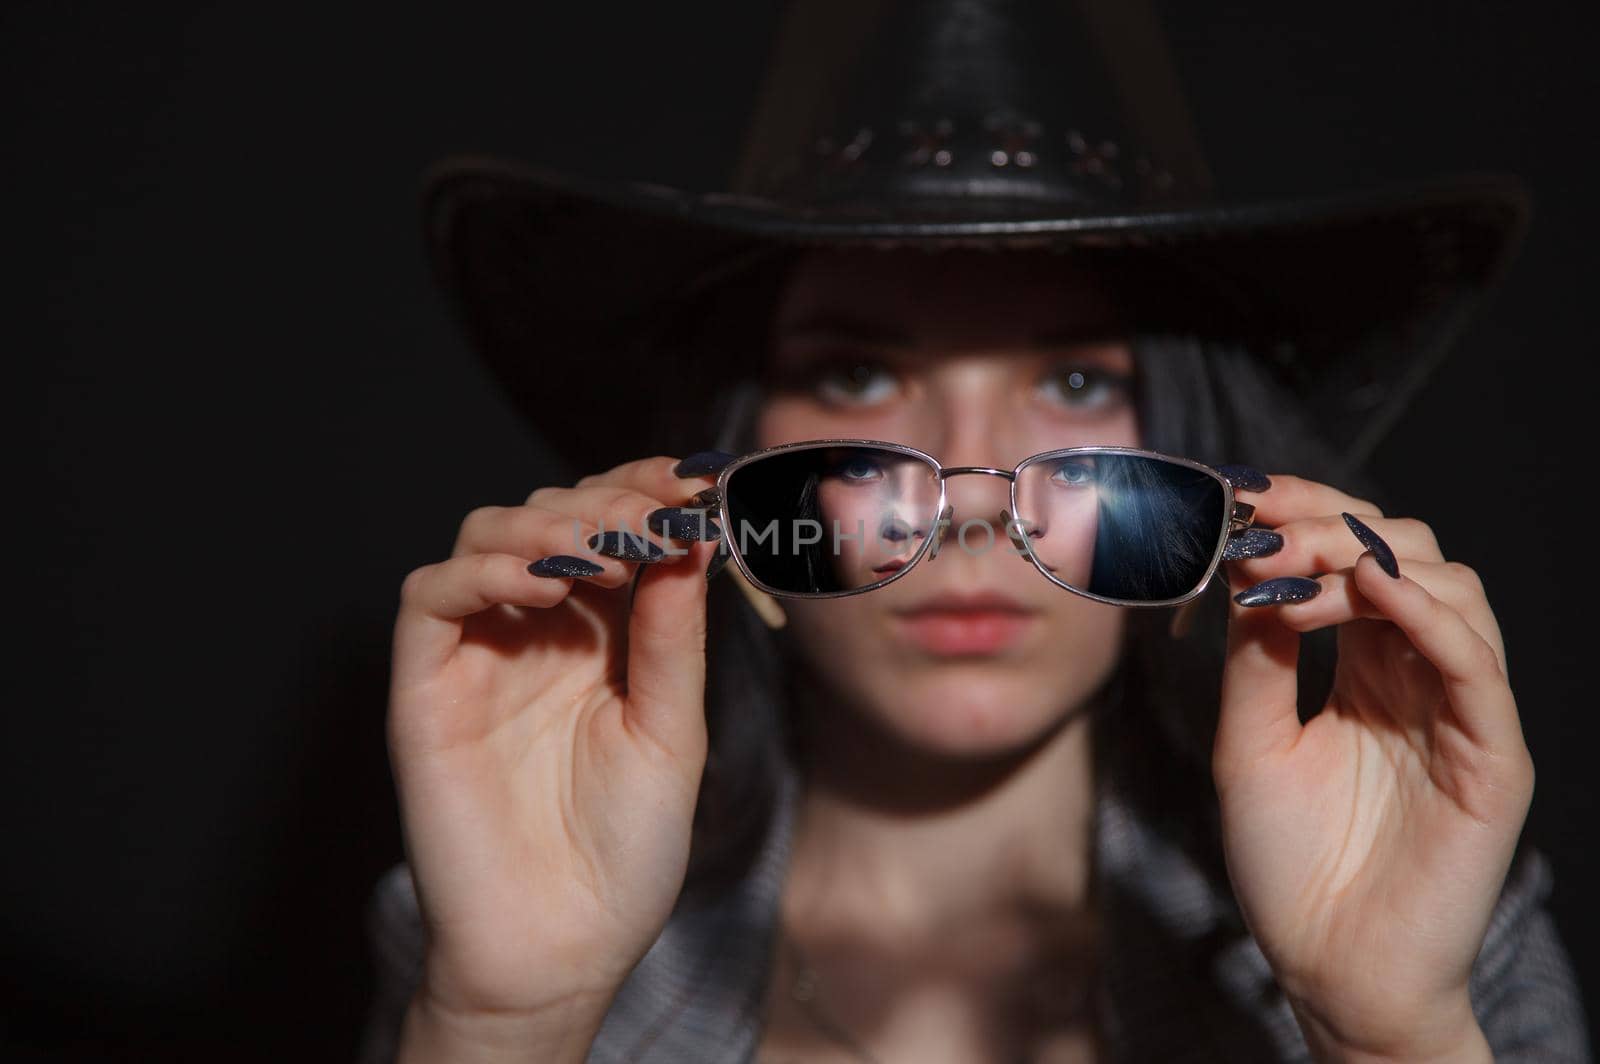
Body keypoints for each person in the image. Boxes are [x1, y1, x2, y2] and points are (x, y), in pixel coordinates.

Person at [360, 2, 1591, 1061]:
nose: (969, 500)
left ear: (1190, 444)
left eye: (1070, 384)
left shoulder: (1439, 927)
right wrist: (503, 1026)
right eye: (852, 375)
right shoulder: (499, 911)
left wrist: (1388, 1035)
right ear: (728, 460)